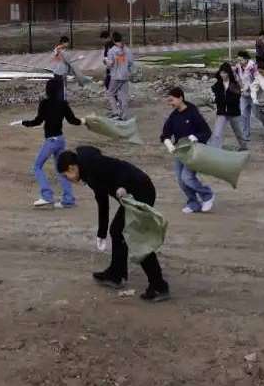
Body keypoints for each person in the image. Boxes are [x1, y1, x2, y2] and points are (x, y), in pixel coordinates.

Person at [57, 146, 170, 302]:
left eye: (65, 175)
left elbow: (120, 169)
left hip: (141, 190)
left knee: (136, 237)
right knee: (117, 230)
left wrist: (122, 186)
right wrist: (101, 233)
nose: (67, 179)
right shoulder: (88, 172)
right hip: (134, 192)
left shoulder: (92, 163)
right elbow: (102, 201)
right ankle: (117, 274)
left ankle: (159, 286)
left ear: (71, 168)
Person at [16, 76, 83, 209]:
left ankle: (47, 196)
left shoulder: (45, 103)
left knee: (37, 167)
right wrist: (85, 121)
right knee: (61, 169)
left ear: (47, 90)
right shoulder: (63, 104)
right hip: (60, 140)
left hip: (51, 141)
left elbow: (38, 121)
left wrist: (23, 122)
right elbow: (73, 120)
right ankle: (68, 200)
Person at [160, 87, 215, 214]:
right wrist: (168, 143)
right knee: (180, 180)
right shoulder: (173, 116)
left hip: (194, 151)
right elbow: (165, 133)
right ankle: (193, 203)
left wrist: (196, 137)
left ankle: (207, 195)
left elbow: (206, 132)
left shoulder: (193, 113)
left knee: (187, 177)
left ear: (180, 98)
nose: (170, 104)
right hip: (180, 152)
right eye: (169, 101)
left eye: (172, 100)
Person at [210, 62, 248, 151]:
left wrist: (221, 100)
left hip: (233, 112)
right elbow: (214, 98)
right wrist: (217, 100)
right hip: (222, 112)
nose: (223, 75)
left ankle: (244, 148)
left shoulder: (234, 85)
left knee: (239, 132)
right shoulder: (217, 85)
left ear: (229, 73)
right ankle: (215, 150)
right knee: (217, 133)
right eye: (221, 72)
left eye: (225, 73)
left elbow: (236, 99)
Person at [104, 32, 134, 120]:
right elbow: (131, 62)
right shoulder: (127, 50)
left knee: (110, 93)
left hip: (116, 76)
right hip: (125, 75)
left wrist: (105, 61)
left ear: (113, 40)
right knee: (124, 95)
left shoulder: (112, 50)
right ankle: (124, 115)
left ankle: (116, 112)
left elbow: (109, 64)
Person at [231, 50, 256, 146]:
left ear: (246, 59)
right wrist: (241, 88)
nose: (239, 61)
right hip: (244, 95)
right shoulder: (238, 68)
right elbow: (238, 79)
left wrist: (249, 88)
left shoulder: (252, 67)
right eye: (238, 60)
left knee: (258, 115)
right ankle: (245, 134)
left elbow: (257, 80)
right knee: (242, 114)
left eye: (241, 60)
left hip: (254, 94)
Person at [48, 35, 76, 100]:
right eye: (67, 42)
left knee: (61, 86)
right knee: (62, 87)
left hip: (59, 70)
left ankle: (60, 99)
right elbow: (66, 60)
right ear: (63, 42)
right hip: (60, 71)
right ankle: (62, 100)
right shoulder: (60, 49)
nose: (68, 44)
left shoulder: (58, 49)